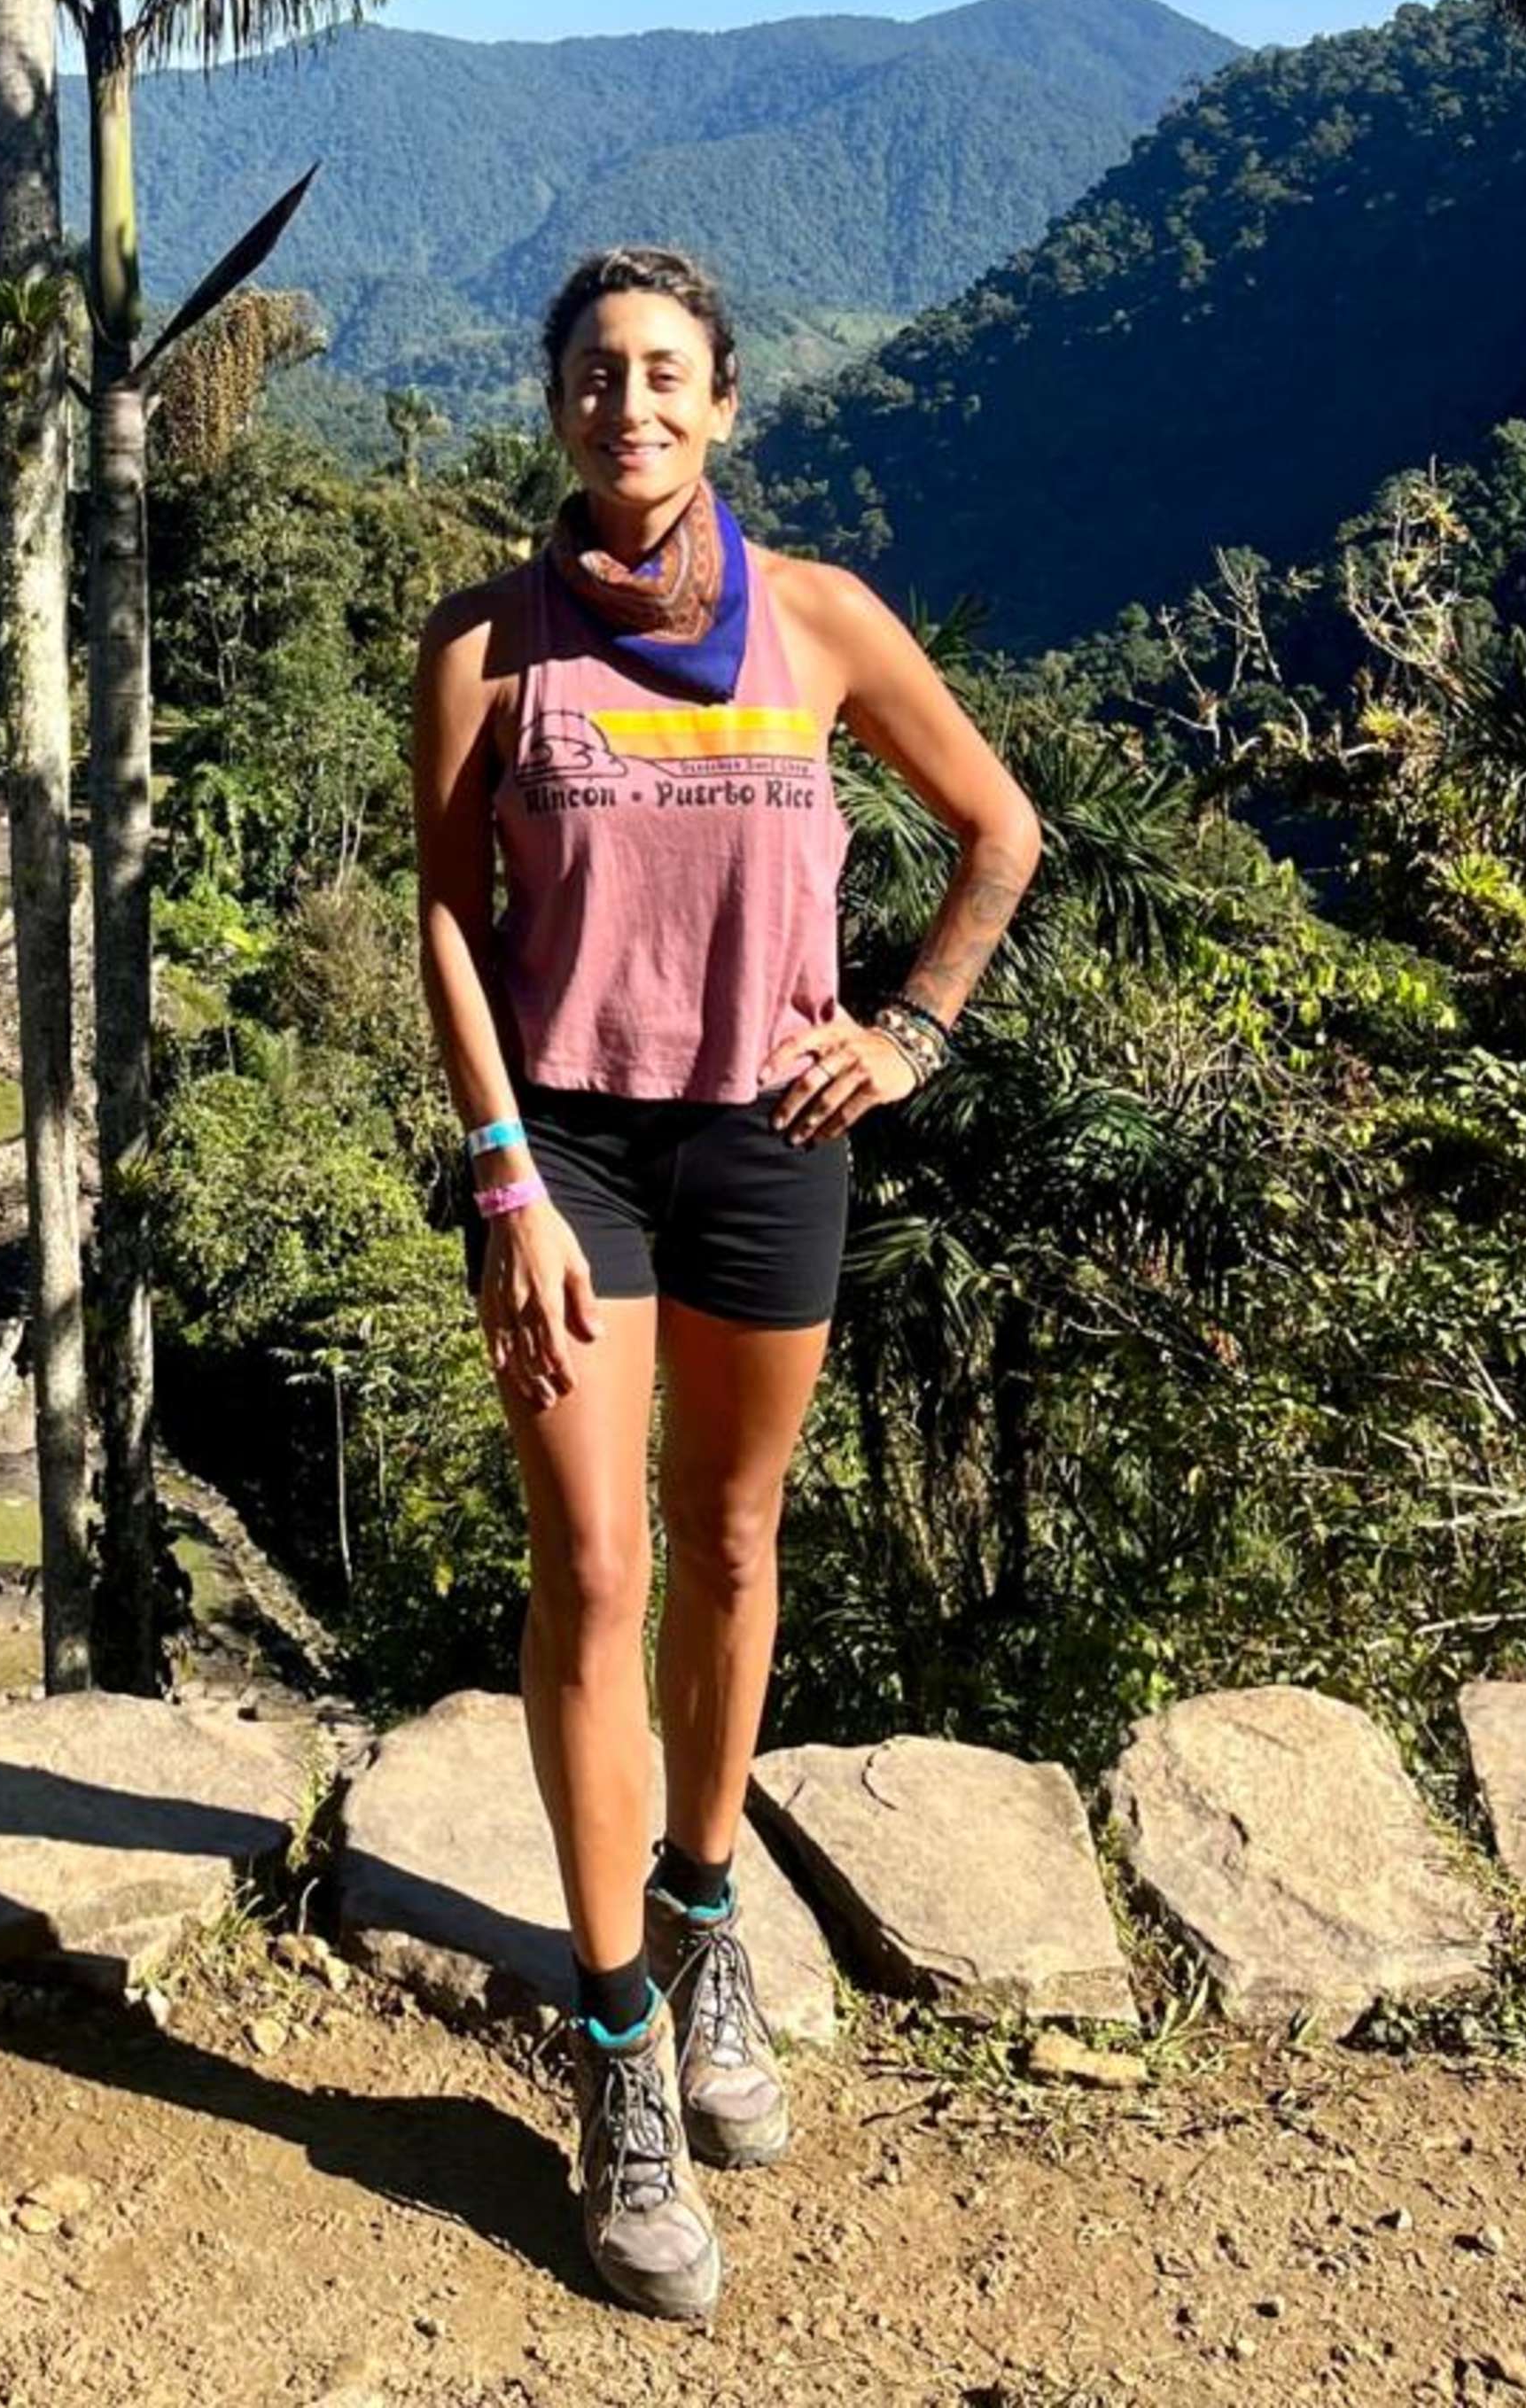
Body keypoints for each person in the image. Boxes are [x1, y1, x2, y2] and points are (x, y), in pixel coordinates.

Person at [412, 245, 1039, 2328]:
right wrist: (504, 1171)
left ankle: (703, 1911)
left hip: (773, 1134)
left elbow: (1001, 831)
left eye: (667, 372)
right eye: (597, 373)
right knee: (597, 1567)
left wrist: (910, 1031)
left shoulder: (825, 620)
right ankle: (616, 2048)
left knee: (739, 1536)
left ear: (726, 403)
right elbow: (449, 914)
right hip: (571, 1151)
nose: (632, 405)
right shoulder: (487, 647)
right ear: (556, 403)